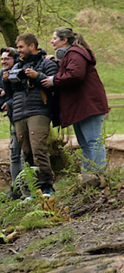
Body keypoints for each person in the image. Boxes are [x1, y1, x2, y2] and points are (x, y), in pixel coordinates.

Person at [41, 28, 110, 171]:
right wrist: (57, 63)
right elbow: (70, 69)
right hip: (82, 106)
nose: (52, 41)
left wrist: (54, 80)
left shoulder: (75, 53)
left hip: (88, 105)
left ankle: (99, 174)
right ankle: (88, 175)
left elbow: (75, 74)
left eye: (54, 38)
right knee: (85, 143)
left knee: (93, 142)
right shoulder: (73, 55)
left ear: (64, 40)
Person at [3, 33, 59, 197]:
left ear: (31, 46)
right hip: (19, 112)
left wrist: (37, 76)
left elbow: (55, 84)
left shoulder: (46, 63)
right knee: (26, 151)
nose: (18, 50)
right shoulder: (16, 66)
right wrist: (7, 81)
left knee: (38, 148)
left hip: (39, 110)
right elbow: (10, 94)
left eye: (21, 47)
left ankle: (46, 185)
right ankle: (33, 188)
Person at [0, 48, 24, 198]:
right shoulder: (1, 73)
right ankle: (15, 188)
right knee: (14, 154)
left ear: (15, 59)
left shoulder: (20, 71)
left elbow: (21, 94)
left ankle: (27, 188)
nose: (3, 62)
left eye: (7, 59)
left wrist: (10, 103)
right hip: (13, 119)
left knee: (24, 154)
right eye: (2, 59)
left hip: (23, 115)